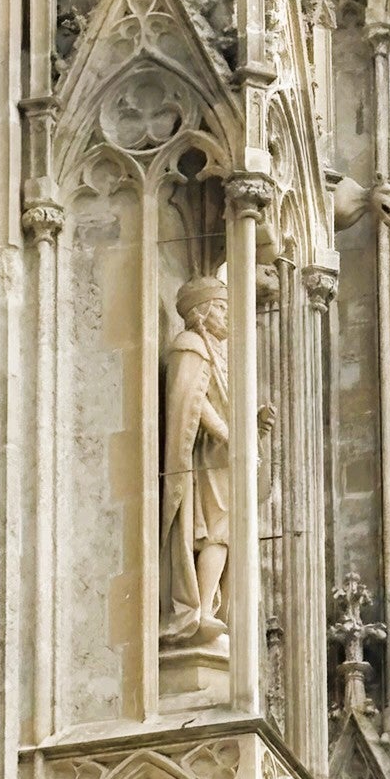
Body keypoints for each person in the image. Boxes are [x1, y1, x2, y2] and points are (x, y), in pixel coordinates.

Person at [161, 274, 231, 646]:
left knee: (224, 537)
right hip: (204, 457)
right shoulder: (189, 345)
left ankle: (209, 609)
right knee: (213, 534)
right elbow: (191, 399)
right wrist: (223, 430)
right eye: (220, 307)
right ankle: (200, 610)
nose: (226, 315)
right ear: (201, 313)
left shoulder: (221, 354)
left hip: (222, 458)